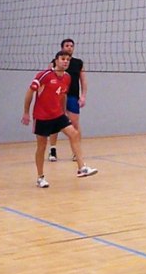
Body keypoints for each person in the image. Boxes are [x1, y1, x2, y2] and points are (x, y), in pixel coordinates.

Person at [21, 51, 98, 187]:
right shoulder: (44, 75)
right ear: (56, 61)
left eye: (68, 59)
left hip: (58, 115)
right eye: (63, 59)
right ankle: (40, 177)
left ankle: (81, 167)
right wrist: (26, 112)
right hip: (42, 116)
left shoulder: (67, 77)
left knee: (74, 134)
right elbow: (29, 93)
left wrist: (63, 112)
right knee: (41, 146)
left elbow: (63, 95)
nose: (66, 61)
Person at [48, 38, 87, 162]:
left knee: (75, 124)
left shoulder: (78, 63)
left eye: (71, 46)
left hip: (72, 97)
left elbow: (83, 80)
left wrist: (83, 96)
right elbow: (48, 79)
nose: (69, 47)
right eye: (67, 45)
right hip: (57, 97)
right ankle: (53, 150)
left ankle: (76, 152)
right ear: (62, 48)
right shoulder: (54, 62)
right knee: (55, 124)